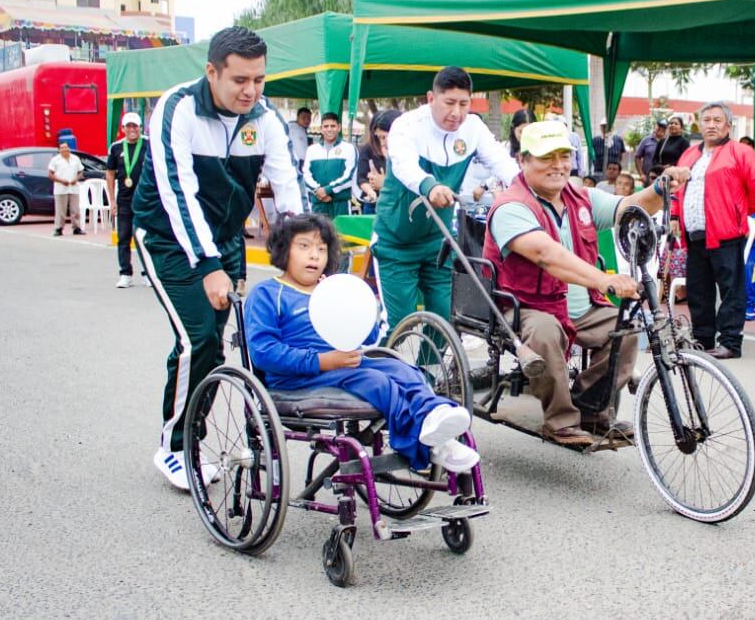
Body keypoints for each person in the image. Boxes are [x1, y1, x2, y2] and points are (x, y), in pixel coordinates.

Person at [132, 26, 303, 489]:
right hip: (169, 235)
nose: (251, 91)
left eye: (260, 80)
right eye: (240, 80)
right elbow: (178, 193)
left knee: (228, 337)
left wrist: (309, 253)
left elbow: (288, 190)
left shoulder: (264, 120)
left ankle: (243, 424)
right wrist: (207, 266)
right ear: (212, 72)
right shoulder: (177, 108)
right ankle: (176, 446)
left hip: (224, 239)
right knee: (198, 339)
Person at [484, 120, 689, 445]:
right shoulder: (511, 206)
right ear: (523, 161)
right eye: (546, 157)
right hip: (527, 307)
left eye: (563, 156)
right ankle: (560, 419)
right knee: (545, 334)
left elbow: (628, 207)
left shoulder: (581, 198)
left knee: (626, 329)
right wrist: (605, 280)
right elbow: (545, 254)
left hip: (581, 307)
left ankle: (591, 409)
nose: (558, 165)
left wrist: (661, 189)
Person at [245, 214, 478, 474]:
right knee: (375, 382)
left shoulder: (332, 291)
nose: (314, 256)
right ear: (282, 250)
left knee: (403, 370)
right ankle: (426, 443)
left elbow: (365, 338)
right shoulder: (267, 294)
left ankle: (434, 418)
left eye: (321, 249)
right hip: (296, 379)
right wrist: (323, 361)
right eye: (304, 247)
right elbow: (263, 352)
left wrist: (353, 303)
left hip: (343, 366)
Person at [375, 66, 518, 330]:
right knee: (399, 325)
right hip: (395, 242)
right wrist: (429, 186)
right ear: (431, 98)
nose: (457, 112)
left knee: (445, 319)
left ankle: (429, 372)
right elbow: (404, 165)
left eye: (464, 104)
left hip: (438, 243)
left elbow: (501, 162)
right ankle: (380, 368)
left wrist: (524, 189)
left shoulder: (473, 127)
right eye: (449, 102)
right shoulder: (406, 125)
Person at [669, 102, 755, 358]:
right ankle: (703, 340)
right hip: (694, 235)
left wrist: (738, 212)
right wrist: (674, 216)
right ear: (699, 125)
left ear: (728, 125)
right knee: (698, 292)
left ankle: (730, 343)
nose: (711, 125)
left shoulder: (740, 152)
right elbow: (677, 191)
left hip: (726, 234)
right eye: (706, 120)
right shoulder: (690, 155)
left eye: (717, 120)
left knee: (730, 291)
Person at [105, 112, 148, 286]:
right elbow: (110, 174)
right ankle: (125, 273)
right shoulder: (116, 148)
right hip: (124, 201)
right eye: (128, 126)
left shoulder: (149, 145)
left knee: (145, 239)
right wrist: (112, 201)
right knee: (123, 237)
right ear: (123, 129)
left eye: (134, 126)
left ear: (140, 128)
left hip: (145, 201)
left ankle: (148, 273)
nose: (131, 129)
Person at [301, 112, 357, 221]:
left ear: (339, 127)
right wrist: (318, 190)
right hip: (318, 203)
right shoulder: (312, 150)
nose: (329, 129)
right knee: (318, 236)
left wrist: (328, 189)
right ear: (321, 129)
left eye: (333, 126)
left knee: (341, 236)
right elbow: (305, 175)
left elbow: (350, 176)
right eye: (326, 126)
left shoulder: (349, 148)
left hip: (341, 203)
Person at [356, 108, 399, 215]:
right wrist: (371, 192)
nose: (383, 143)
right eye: (379, 137)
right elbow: (361, 178)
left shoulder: (406, 154)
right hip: (374, 203)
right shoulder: (367, 149)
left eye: (384, 137)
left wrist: (384, 183)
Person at [47, 141, 85, 236]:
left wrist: (76, 179)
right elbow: (50, 174)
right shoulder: (55, 160)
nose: (64, 149)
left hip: (73, 187)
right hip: (61, 188)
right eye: (62, 148)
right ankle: (59, 228)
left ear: (68, 148)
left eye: (66, 147)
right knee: (60, 210)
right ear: (59, 150)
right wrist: (60, 181)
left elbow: (80, 172)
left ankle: (76, 228)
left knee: (75, 209)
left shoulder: (75, 159)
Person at [289, 107, 312, 209]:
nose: (307, 120)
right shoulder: (291, 128)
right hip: (295, 164)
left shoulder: (303, 130)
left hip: (303, 164)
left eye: (309, 118)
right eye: (304, 117)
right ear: (297, 118)